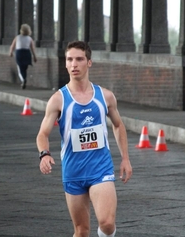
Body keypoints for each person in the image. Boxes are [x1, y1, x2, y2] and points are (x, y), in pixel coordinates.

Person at [36, 41, 133, 237]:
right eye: (70, 59)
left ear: (89, 63)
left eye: (79, 59)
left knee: (106, 223)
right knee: (81, 231)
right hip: (73, 171)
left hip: (100, 169)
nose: (74, 64)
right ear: (65, 63)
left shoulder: (105, 96)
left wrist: (125, 158)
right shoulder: (58, 99)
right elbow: (42, 133)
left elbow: (118, 125)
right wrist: (44, 154)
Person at [9, 24, 37, 89]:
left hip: (19, 53)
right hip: (27, 53)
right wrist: (35, 56)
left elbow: (12, 46)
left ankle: (23, 79)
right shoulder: (30, 38)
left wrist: (11, 52)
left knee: (20, 68)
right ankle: (24, 78)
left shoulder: (17, 37)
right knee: (25, 68)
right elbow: (32, 48)